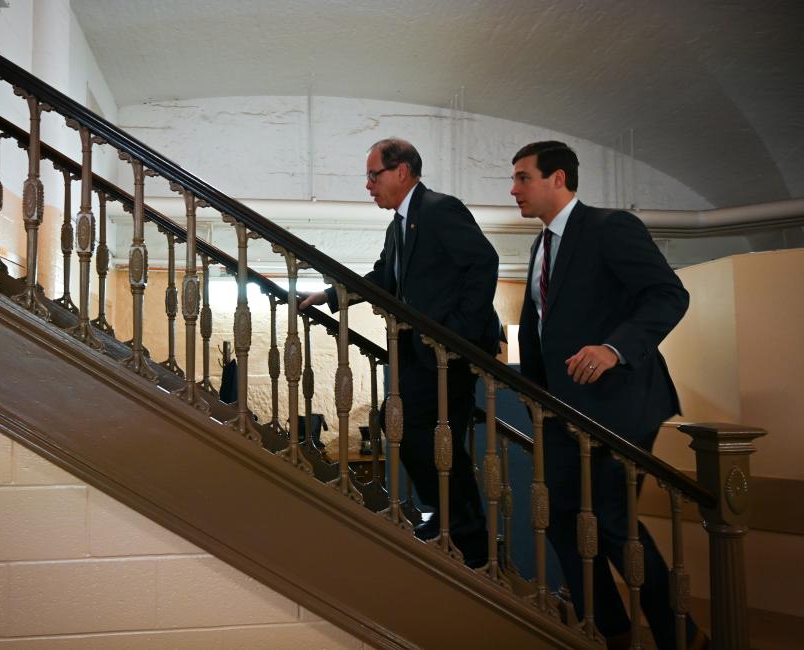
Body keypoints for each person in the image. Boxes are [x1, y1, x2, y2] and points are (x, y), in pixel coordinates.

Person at [511, 140, 706, 650]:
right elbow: (540, 329)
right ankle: (611, 631)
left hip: (621, 403)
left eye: (523, 178)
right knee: (559, 519)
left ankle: (682, 637)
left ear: (558, 179)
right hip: (562, 407)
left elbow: (669, 294)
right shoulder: (540, 246)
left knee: (614, 523)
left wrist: (615, 348)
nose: (514, 190)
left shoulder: (609, 227)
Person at [300, 138, 502, 566]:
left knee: (425, 436)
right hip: (421, 353)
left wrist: (458, 333)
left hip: (451, 353)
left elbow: (483, 263)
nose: (369, 185)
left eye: (374, 175)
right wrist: (330, 295)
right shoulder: (399, 226)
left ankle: (470, 535)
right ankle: (451, 520)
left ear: (403, 172)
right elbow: (383, 279)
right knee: (412, 434)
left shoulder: (439, 209)